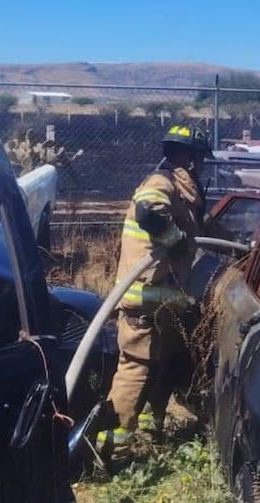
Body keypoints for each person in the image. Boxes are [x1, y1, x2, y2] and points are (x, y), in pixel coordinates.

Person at [96, 124, 212, 468]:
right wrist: (173, 241)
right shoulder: (160, 183)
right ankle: (111, 451)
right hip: (142, 300)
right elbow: (149, 211)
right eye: (200, 158)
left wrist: (240, 242)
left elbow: (205, 230)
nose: (203, 165)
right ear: (188, 158)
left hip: (163, 301)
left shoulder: (182, 192)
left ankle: (151, 429)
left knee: (164, 363)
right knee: (135, 369)